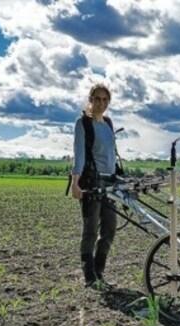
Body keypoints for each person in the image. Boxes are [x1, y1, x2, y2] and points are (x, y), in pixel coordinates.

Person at [69, 83, 118, 289]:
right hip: (92, 181)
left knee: (110, 228)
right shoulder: (83, 123)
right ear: (90, 100)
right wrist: (75, 182)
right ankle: (89, 277)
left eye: (105, 100)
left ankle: (99, 272)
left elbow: (111, 155)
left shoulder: (108, 123)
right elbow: (79, 154)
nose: (101, 103)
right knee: (90, 230)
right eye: (97, 99)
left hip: (110, 181)